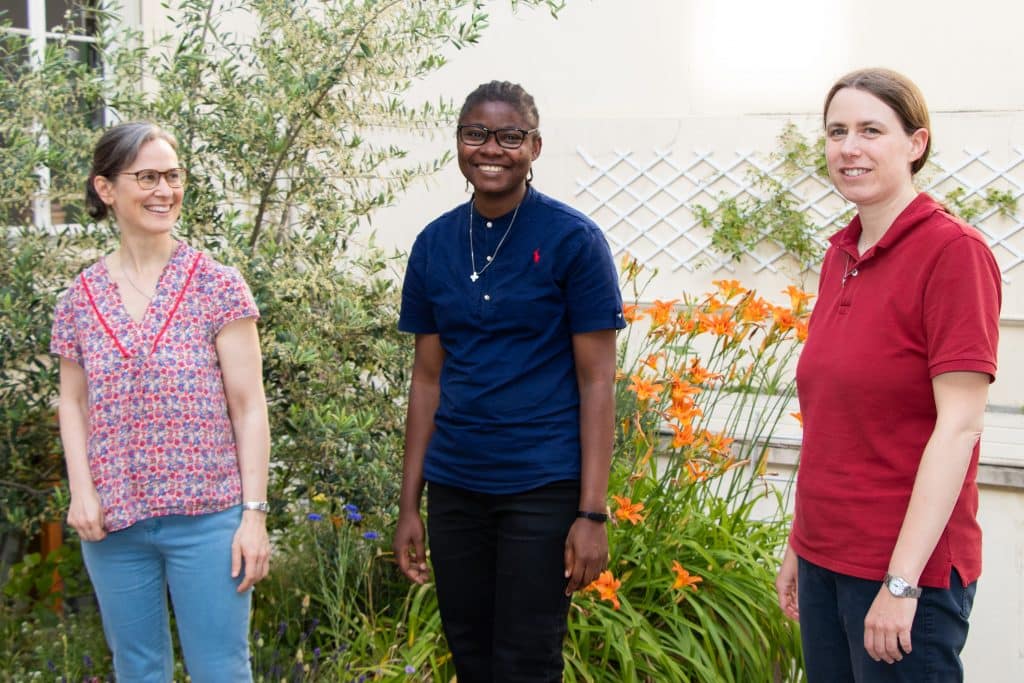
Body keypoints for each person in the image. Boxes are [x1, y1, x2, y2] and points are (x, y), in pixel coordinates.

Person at [392, 80, 625, 682]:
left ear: (534, 147)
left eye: (509, 136)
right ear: (459, 143)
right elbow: (426, 380)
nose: (491, 148)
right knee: (470, 656)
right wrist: (409, 505)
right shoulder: (434, 244)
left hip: (541, 487)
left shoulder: (574, 241)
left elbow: (598, 382)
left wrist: (592, 513)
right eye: (476, 134)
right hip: (456, 487)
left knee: (526, 661)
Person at [774, 68, 1002, 682]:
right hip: (824, 560)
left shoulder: (953, 253)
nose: (849, 147)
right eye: (837, 131)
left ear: (915, 143)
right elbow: (836, 421)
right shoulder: (840, 255)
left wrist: (901, 583)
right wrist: (800, 543)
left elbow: (960, 427)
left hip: (904, 574)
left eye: (871, 130)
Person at [51, 121, 271, 682]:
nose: (164, 191)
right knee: (138, 670)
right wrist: (82, 492)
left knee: (221, 670)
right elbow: (72, 403)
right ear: (106, 189)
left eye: (172, 176)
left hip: (209, 520)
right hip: (115, 522)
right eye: (147, 177)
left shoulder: (218, 286)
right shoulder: (79, 298)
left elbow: (249, 407)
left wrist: (253, 516)